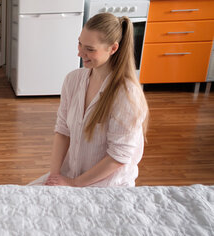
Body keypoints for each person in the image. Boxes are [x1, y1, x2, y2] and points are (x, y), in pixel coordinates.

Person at [30, 12, 149, 187]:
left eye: (90, 49)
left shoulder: (127, 94)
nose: (80, 53)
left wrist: (74, 183)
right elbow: (63, 131)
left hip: (106, 184)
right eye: (80, 43)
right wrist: (55, 177)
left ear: (113, 49)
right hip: (71, 174)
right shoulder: (73, 80)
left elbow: (118, 157)